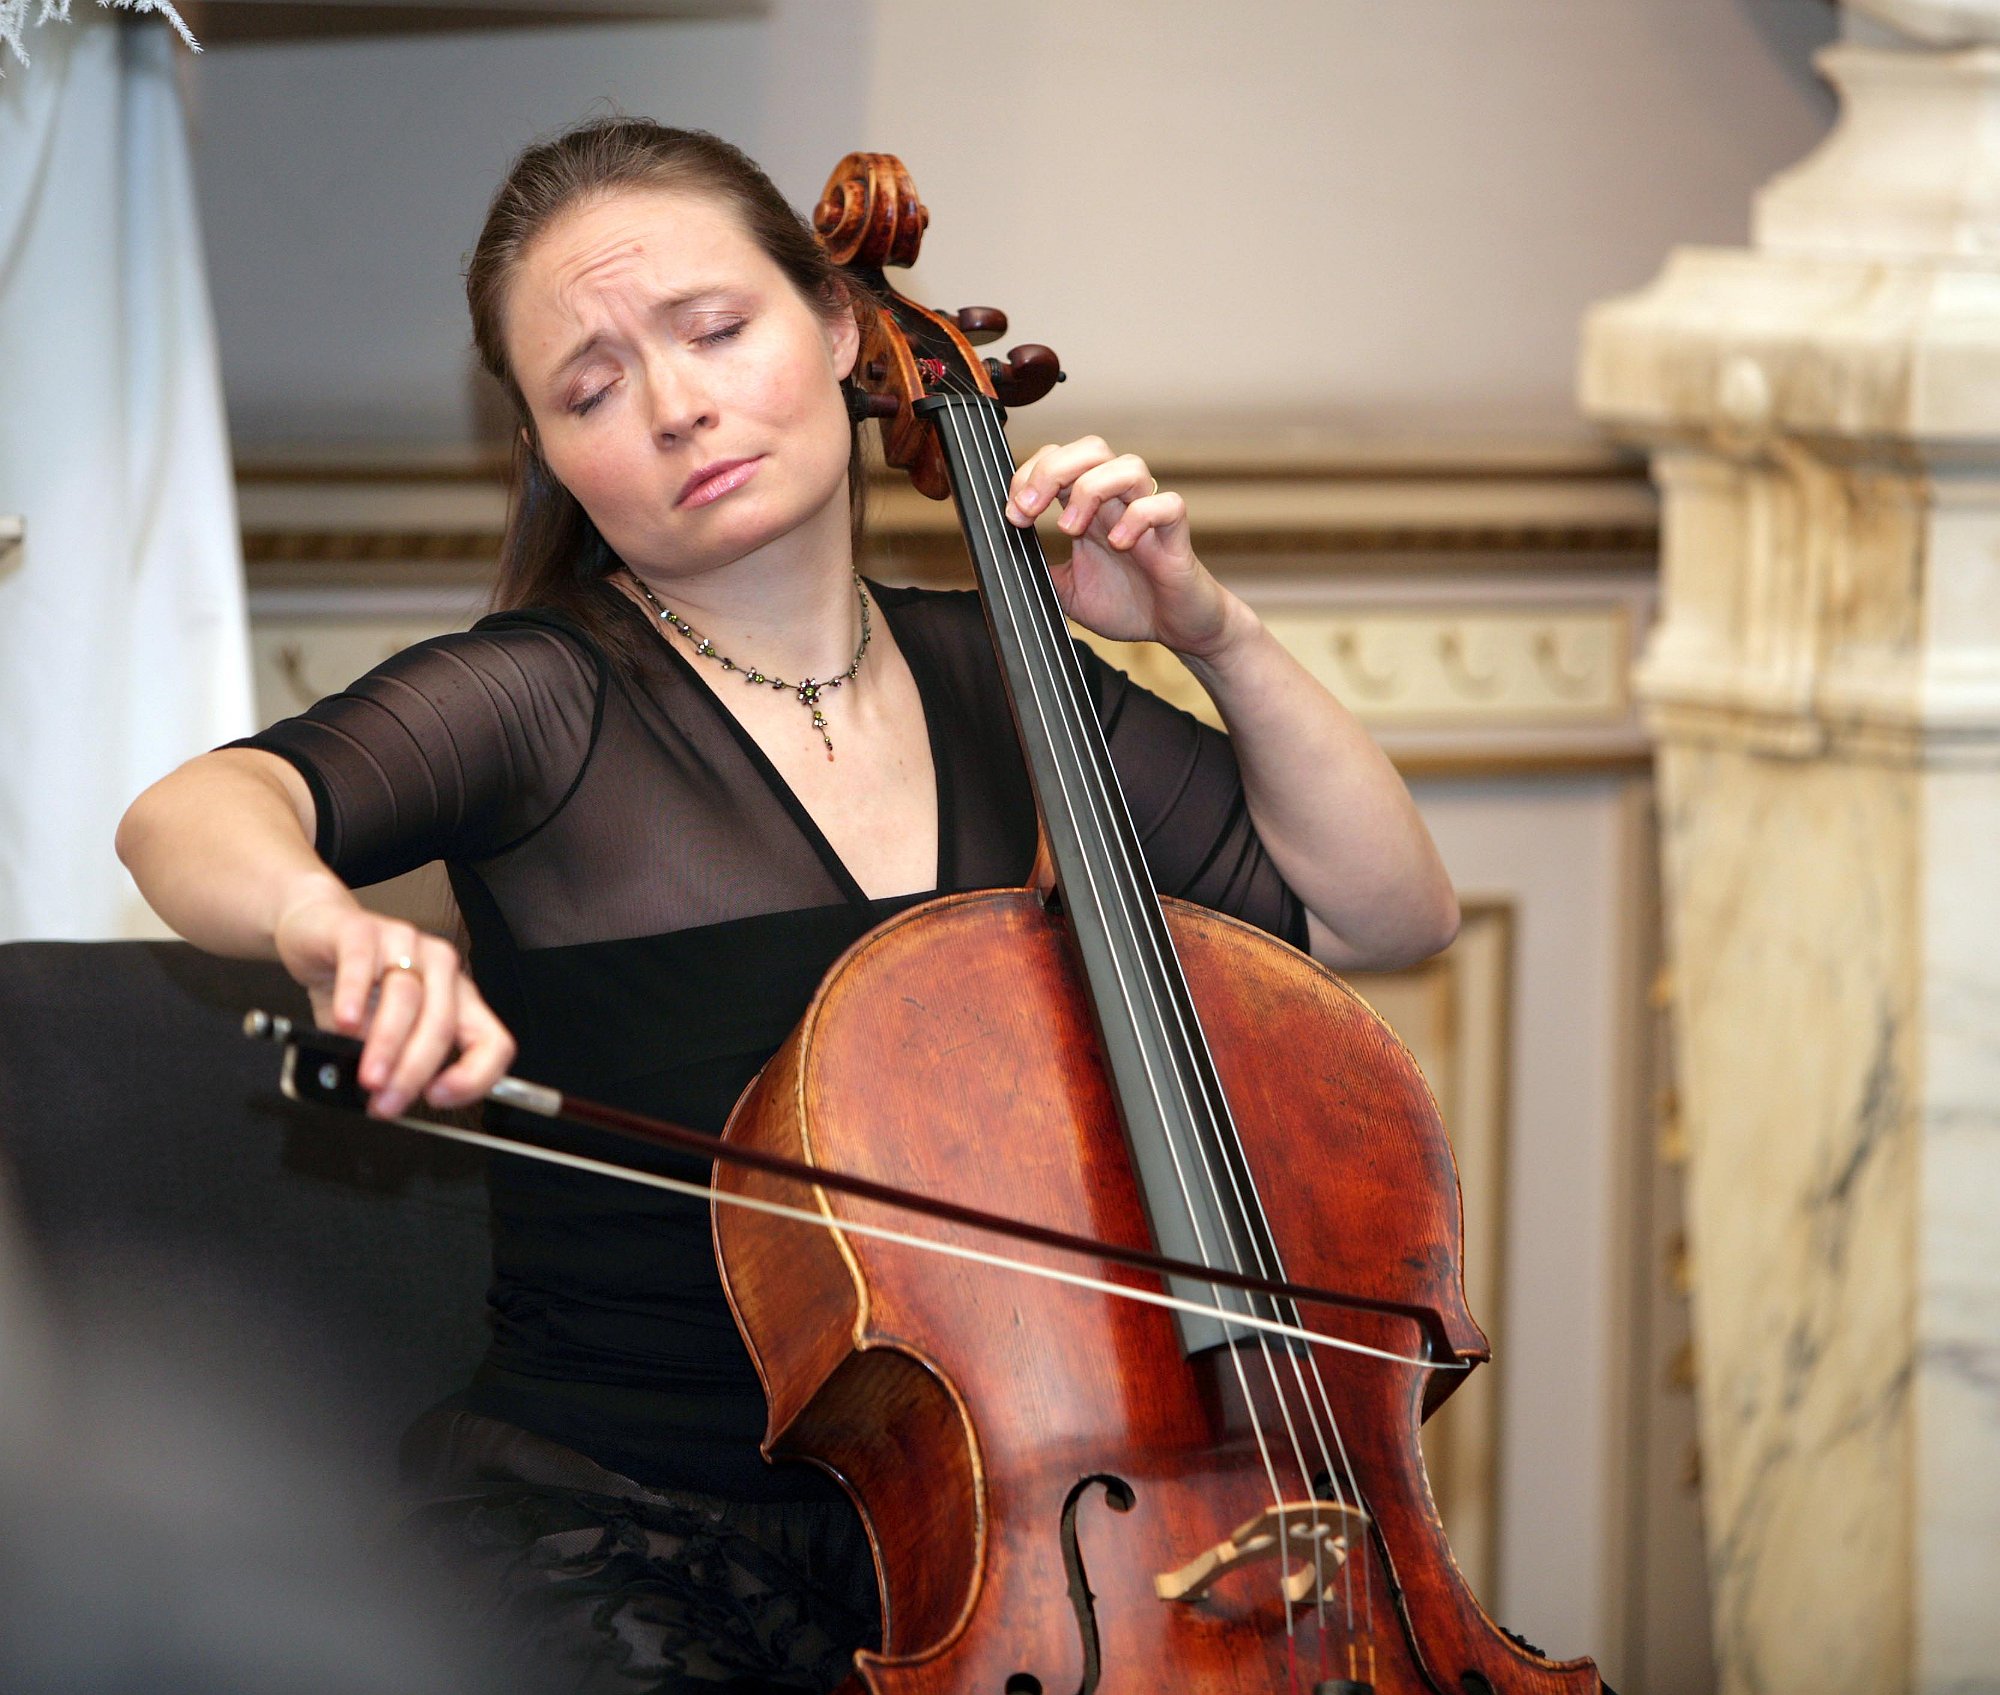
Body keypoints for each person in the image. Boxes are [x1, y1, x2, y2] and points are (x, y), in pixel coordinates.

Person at [117, 118, 1459, 1694]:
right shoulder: (545, 699)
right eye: (592, 389)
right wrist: (322, 922)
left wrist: (1209, 629)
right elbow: (189, 815)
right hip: (648, 1536)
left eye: (716, 330)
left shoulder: (1007, 675)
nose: (678, 408)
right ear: (550, 454)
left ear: (835, 327)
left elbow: (1384, 913)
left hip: (1049, 1529)